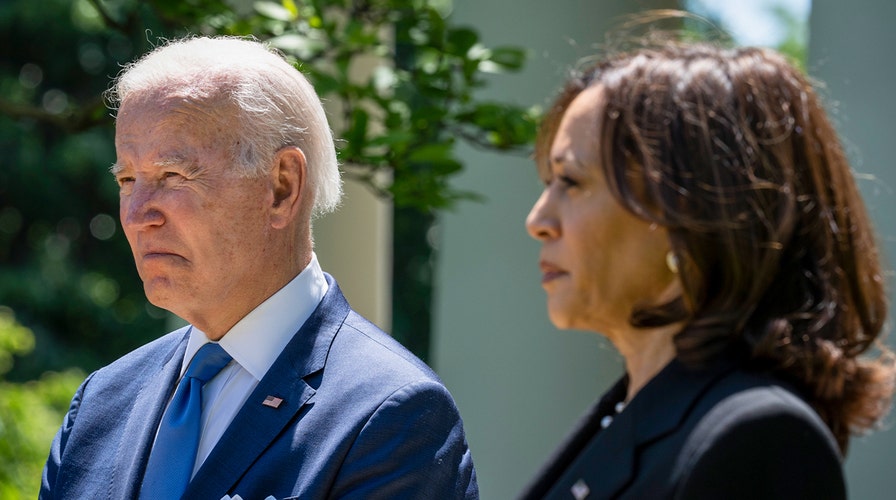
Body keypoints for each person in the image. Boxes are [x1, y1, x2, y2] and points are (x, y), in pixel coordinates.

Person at [40, 36, 478, 499]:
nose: (137, 213)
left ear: (282, 188)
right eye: (128, 180)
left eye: (173, 176)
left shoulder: (392, 415)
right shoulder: (100, 404)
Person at [521, 37, 895, 499]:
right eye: (548, 183)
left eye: (571, 181)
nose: (537, 221)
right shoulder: (630, 412)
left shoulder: (757, 441)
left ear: (692, 214)